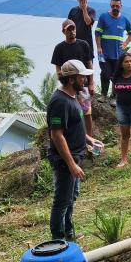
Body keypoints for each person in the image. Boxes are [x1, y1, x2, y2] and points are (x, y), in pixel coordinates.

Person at [46, 59, 102, 241]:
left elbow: (74, 125)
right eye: (81, 77)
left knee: (71, 196)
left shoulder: (72, 97)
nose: (85, 80)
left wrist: (88, 139)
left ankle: (69, 233)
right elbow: (57, 135)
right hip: (65, 161)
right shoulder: (59, 101)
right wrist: (70, 164)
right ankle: (58, 240)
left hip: (76, 156)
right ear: (71, 80)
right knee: (62, 201)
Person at [51, 19, 95, 136]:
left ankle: (90, 139)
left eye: (73, 29)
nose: (72, 32)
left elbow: (89, 64)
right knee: (72, 112)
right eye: (68, 30)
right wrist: (65, 84)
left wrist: (91, 83)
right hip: (68, 87)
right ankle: (73, 136)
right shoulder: (59, 48)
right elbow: (58, 70)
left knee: (87, 113)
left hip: (82, 85)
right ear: (63, 31)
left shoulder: (84, 45)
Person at [94, 0, 131, 97]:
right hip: (104, 54)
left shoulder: (124, 19)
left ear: (121, 6)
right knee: (105, 74)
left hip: (118, 55)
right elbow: (97, 33)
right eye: (113, 6)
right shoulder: (103, 17)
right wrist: (99, 47)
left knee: (116, 76)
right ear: (110, 6)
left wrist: (125, 43)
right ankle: (103, 95)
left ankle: (114, 97)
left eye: (117, 6)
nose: (115, 7)